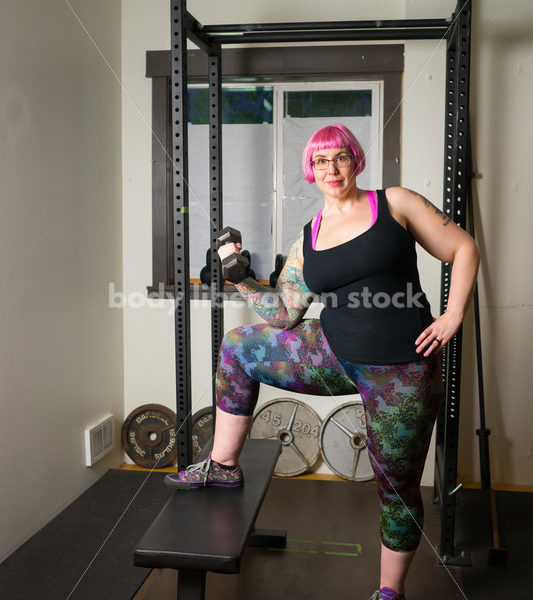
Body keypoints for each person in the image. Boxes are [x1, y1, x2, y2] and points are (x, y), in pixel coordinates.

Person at [165, 124, 480, 600]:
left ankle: (389, 592)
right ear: (309, 171)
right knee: (238, 345)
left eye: (340, 158)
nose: (330, 169)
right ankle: (223, 464)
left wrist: (454, 314)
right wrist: (240, 278)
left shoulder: (394, 202)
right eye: (319, 161)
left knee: (395, 486)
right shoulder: (308, 237)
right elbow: (285, 314)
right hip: (331, 353)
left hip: (401, 372)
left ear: (356, 160)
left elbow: (463, 248)